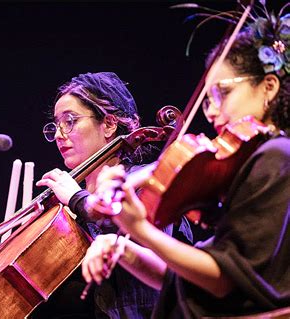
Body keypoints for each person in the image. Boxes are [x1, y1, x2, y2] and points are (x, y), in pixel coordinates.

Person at [81, 10, 290, 318]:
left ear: (268, 87)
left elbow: (222, 281)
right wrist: (122, 246)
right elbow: (188, 282)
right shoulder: (258, 163)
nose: (212, 112)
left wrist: (139, 228)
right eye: (208, 99)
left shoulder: (276, 156)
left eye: (224, 92)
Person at [31, 71, 192, 318]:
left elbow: (141, 247)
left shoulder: (145, 185)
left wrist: (78, 199)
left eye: (70, 121)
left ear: (108, 124)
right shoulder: (64, 206)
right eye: (57, 124)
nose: (59, 135)